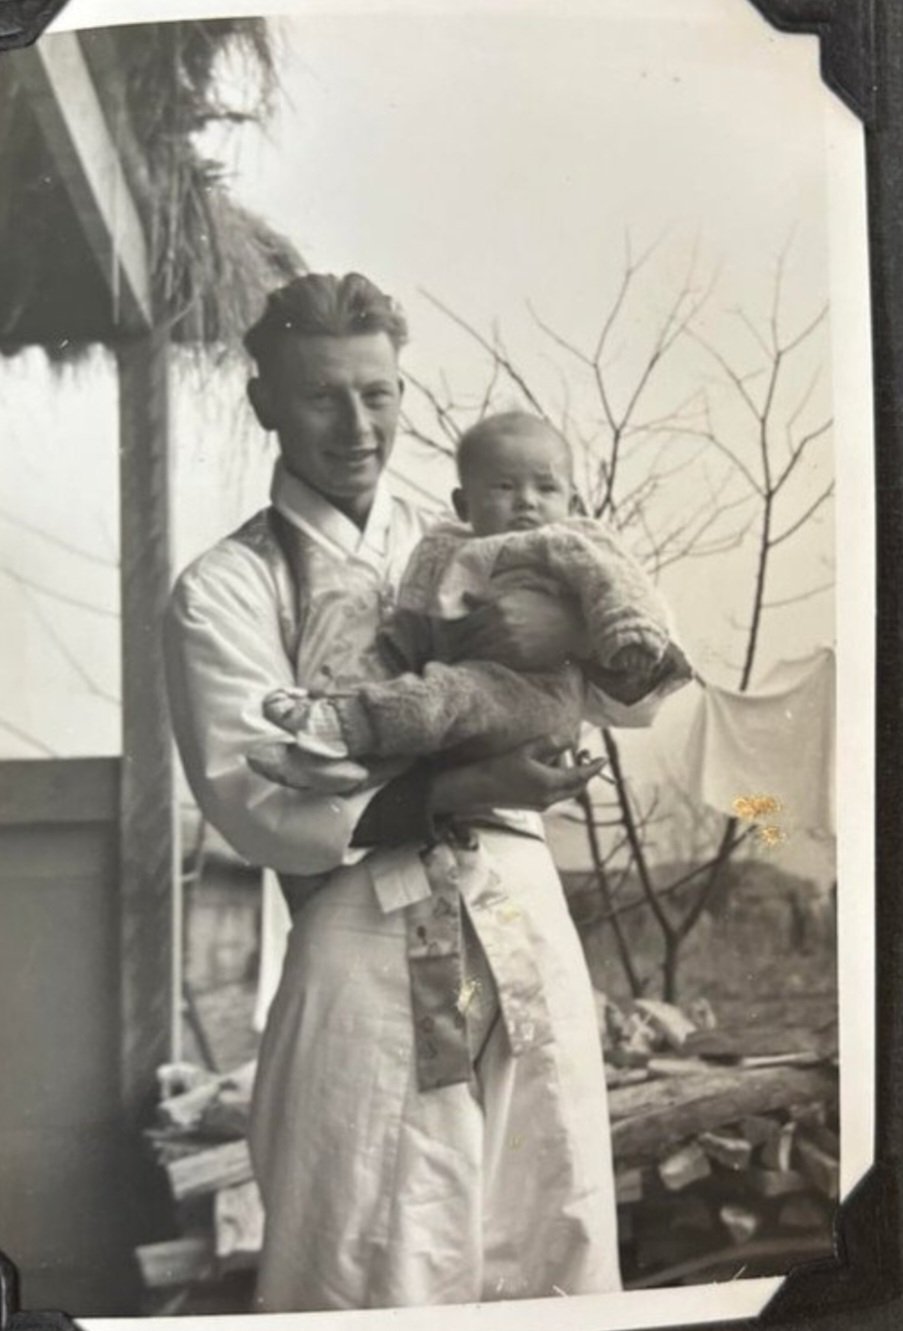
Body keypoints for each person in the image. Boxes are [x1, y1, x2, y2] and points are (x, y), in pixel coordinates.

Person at [163, 273, 666, 1312]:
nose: (358, 426)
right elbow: (253, 790)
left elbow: (638, 693)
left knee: (551, 1219)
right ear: (264, 401)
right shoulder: (226, 588)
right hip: (366, 939)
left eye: (378, 393)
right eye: (322, 396)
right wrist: (472, 780)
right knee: (374, 1247)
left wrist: (569, 630)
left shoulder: (478, 533)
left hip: (521, 920)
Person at [248, 409, 688, 787]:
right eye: (504, 487)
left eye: (546, 488)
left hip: (537, 696)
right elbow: (415, 618)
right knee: (418, 707)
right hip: (464, 700)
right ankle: (331, 766)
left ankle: (341, 726)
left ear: (572, 503)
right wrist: (388, 658)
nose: (526, 502)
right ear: (463, 505)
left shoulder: (570, 544)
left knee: (444, 698)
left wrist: (603, 633)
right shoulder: (443, 550)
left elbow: (621, 588)